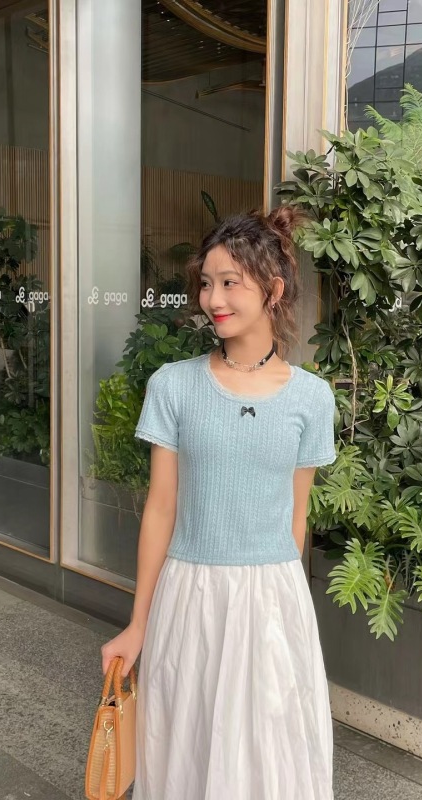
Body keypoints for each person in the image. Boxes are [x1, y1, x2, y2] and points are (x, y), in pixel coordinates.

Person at [100, 206, 337, 799]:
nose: (213, 298)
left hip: (272, 599)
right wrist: (138, 624)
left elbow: (297, 516)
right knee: (187, 744)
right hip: (190, 595)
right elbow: (161, 508)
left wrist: (281, 609)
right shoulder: (173, 385)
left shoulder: (312, 399)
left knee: (269, 756)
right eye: (207, 283)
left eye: (231, 282)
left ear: (273, 291)